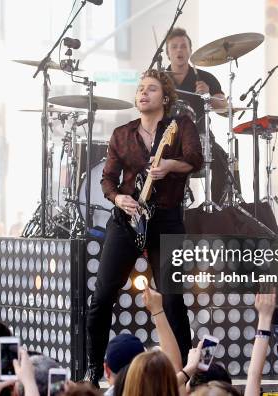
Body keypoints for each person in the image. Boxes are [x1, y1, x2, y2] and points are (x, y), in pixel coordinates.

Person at [84, 69, 203, 385]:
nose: (143, 93)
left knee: (173, 299)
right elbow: (107, 179)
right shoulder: (122, 134)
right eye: (140, 89)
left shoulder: (180, 127)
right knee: (101, 297)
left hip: (166, 220)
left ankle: (182, 376)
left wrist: (169, 166)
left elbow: (196, 159)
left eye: (151, 89)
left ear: (164, 97)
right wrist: (119, 198)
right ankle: (95, 370)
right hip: (127, 220)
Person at [165, 27, 231, 204]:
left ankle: (214, 210)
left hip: (202, 139)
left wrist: (208, 95)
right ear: (167, 53)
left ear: (190, 51)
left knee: (224, 164)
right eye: (174, 47)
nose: (179, 50)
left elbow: (223, 105)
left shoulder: (205, 77)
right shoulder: (159, 79)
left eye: (184, 46)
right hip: (166, 142)